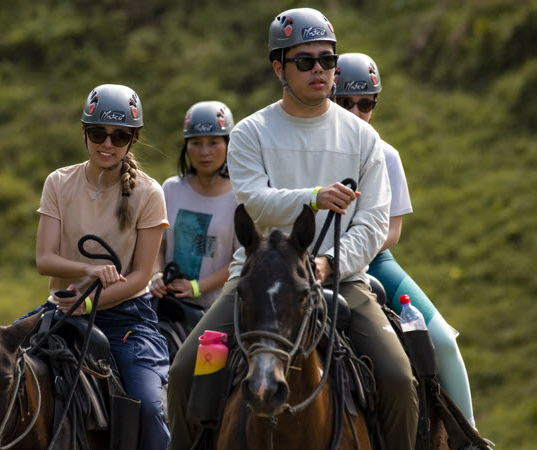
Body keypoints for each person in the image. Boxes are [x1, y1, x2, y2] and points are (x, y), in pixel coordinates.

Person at [167, 8, 418, 450]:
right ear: (278, 67)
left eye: (328, 59)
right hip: (255, 281)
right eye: (306, 61)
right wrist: (315, 196)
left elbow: (375, 221)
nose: (320, 69)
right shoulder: (249, 133)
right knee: (186, 372)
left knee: (398, 377)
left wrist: (328, 264)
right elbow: (255, 203)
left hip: (343, 280)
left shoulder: (365, 140)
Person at [334, 52, 477, 428]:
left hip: (376, 262)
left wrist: (349, 251)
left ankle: (469, 434)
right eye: (344, 102)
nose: (355, 111)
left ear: (374, 105)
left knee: (443, 340)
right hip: (319, 263)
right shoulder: (318, 151)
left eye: (365, 103)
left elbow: (391, 232)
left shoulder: (387, 155)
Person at [34, 84, 170, 449]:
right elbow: (44, 259)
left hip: (126, 317)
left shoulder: (149, 193)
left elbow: (141, 275)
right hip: (61, 309)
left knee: (148, 406)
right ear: (84, 132)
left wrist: (91, 302)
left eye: (120, 136)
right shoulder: (58, 182)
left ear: (133, 140)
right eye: (98, 133)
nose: (107, 144)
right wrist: (89, 271)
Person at [148, 101, 239, 311]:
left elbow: (242, 259)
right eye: (196, 143)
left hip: (215, 311)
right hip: (166, 307)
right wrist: (157, 274)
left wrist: (197, 287)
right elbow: (156, 244)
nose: (204, 151)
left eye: (213, 142)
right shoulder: (171, 189)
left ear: (228, 143)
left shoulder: (240, 197)